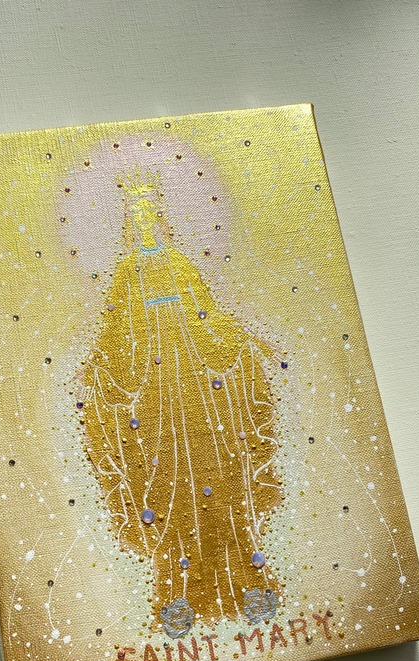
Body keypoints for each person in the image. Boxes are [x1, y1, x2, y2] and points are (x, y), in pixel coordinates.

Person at [80, 168, 284, 637]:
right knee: (167, 493)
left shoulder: (181, 266)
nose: (145, 220)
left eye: (151, 211)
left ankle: (249, 584)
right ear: (130, 222)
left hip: (200, 396)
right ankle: (178, 596)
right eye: (137, 214)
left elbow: (210, 321)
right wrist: (101, 364)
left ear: (161, 216)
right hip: (156, 405)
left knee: (223, 483)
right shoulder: (127, 274)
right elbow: (115, 334)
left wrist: (241, 339)